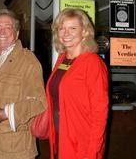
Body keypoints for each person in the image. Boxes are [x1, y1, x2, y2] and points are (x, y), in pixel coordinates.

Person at [0, 9, 47, 159]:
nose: (1, 31)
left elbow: (39, 102)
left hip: (16, 149)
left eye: (8, 27)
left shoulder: (29, 61)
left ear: (16, 33)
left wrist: (5, 113)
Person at [47, 8, 109, 159]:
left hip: (82, 145)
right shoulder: (62, 59)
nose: (66, 33)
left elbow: (100, 114)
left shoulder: (93, 63)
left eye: (72, 28)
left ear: (85, 32)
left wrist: (92, 152)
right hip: (60, 138)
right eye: (61, 28)